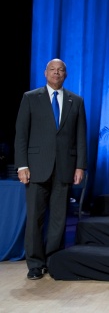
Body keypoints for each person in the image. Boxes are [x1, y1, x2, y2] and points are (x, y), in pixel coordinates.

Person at [14, 58, 87, 280]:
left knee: (59, 217)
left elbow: (80, 137)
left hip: (65, 167)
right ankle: (35, 263)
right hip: (36, 168)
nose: (56, 73)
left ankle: (53, 259)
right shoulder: (30, 98)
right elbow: (21, 135)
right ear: (45, 73)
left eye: (60, 70)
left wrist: (80, 166)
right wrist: (22, 165)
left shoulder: (76, 100)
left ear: (66, 74)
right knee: (35, 217)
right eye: (52, 70)